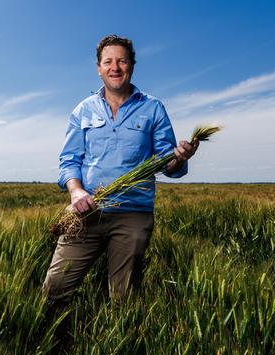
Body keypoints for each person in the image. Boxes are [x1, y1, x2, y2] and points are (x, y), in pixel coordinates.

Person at [42, 34, 198, 305]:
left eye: (122, 61)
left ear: (132, 66)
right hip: (88, 212)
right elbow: (69, 160)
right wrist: (77, 192)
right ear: (99, 68)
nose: (115, 67)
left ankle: (115, 342)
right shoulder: (83, 110)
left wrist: (181, 158)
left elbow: (167, 165)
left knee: (123, 298)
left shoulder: (152, 108)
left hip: (133, 214)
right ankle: (57, 339)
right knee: (54, 288)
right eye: (108, 61)